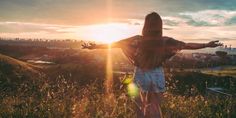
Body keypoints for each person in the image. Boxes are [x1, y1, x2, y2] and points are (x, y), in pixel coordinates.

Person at [82, 12, 222, 118]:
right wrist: (206, 44)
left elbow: (114, 44)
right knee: (155, 107)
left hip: (141, 74)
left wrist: (94, 46)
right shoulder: (165, 41)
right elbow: (187, 45)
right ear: (159, 25)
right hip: (157, 74)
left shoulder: (137, 40)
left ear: (145, 25)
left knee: (139, 107)